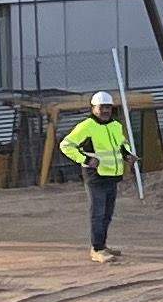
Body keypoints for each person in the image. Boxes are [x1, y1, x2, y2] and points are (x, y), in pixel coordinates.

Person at [55, 88, 134, 260]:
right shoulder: (86, 126)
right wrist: (84, 159)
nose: (105, 111)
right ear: (93, 108)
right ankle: (97, 249)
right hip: (95, 177)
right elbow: (66, 145)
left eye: (108, 107)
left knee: (107, 214)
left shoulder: (115, 125)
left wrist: (127, 155)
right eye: (101, 107)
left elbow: (121, 145)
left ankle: (102, 245)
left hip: (112, 177)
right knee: (97, 213)